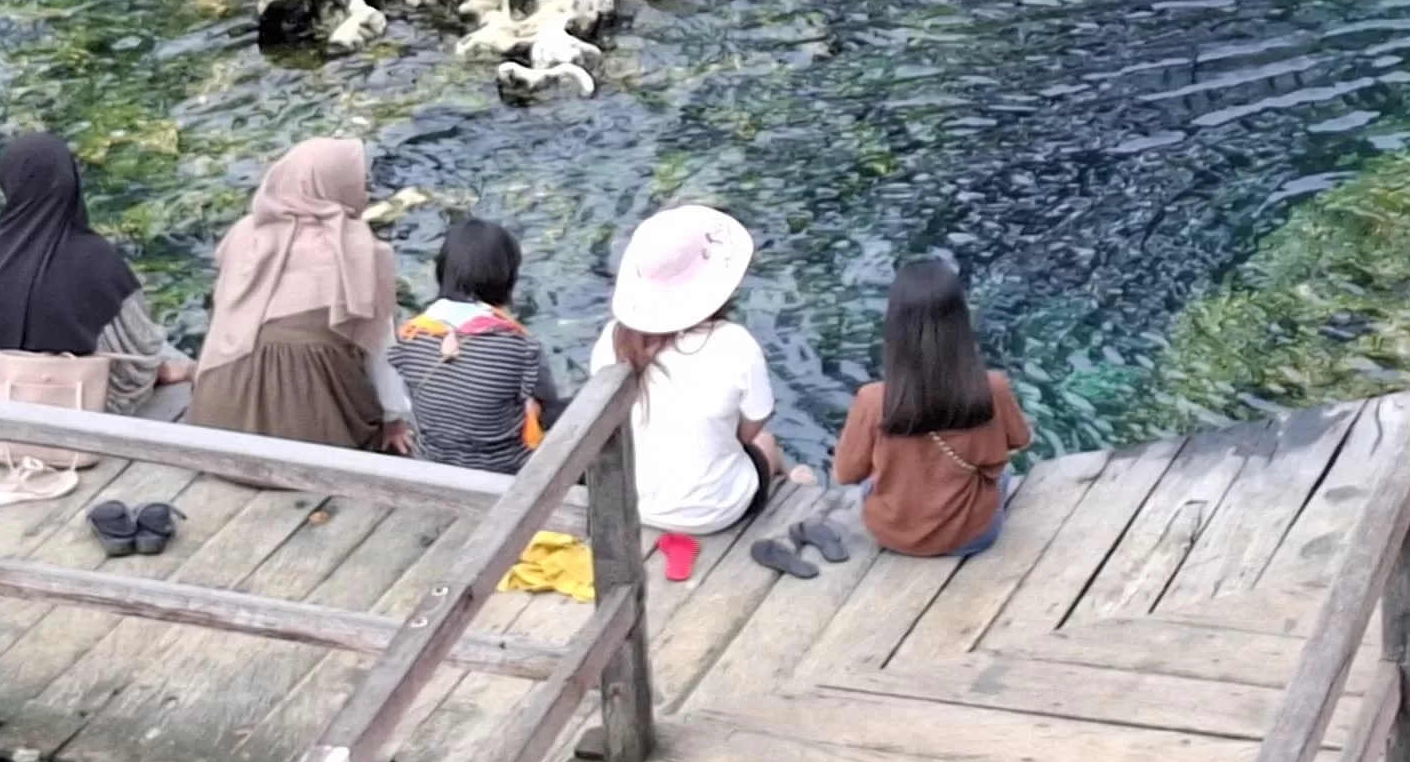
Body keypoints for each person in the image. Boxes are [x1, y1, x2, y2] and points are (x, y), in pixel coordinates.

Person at [608, 204, 806, 576]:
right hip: (717, 511)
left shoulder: (613, 340)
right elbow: (749, 431)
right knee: (769, 444)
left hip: (637, 501)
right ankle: (794, 482)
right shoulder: (735, 344)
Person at [187, 139, 412, 449]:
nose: (365, 189)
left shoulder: (242, 235)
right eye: (359, 181)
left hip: (215, 431)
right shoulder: (360, 251)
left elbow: (222, 317)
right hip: (313, 440)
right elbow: (380, 350)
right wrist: (394, 419)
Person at [0, 132, 192, 414]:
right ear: (69, 182)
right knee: (169, 356)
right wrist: (158, 369)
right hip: (78, 411)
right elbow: (134, 364)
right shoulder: (94, 259)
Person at [831, 258, 1034, 558]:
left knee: (872, 484)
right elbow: (1021, 441)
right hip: (975, 535)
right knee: (1002, 479)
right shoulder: (993, 387)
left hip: (894, 535)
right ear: (960, 321)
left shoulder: (873, 399)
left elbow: (844, 474)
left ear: (896, 324)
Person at [390, 218, 565, 475]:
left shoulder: (409, 335)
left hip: (432, 461)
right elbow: (548, 401)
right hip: (507, 468)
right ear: (507, 277)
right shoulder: (519, 346)